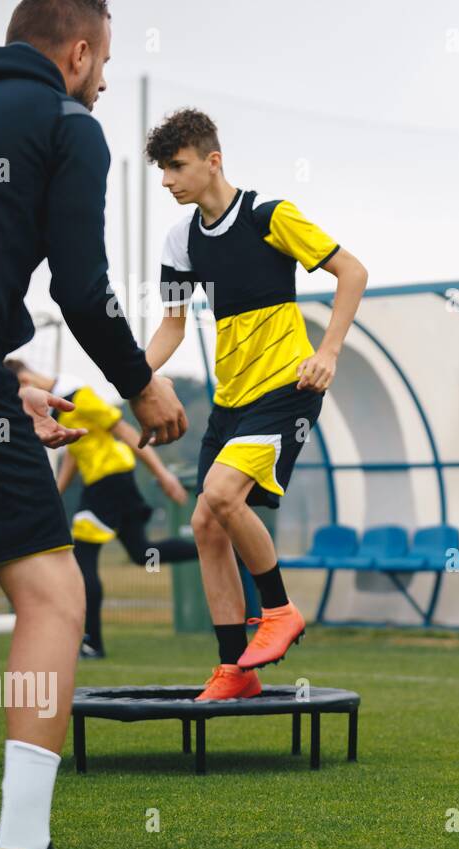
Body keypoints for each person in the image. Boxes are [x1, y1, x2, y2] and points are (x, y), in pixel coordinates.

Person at [0, 0, 188, 849]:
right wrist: (144, 387)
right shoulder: (65, 125)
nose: (102, 81)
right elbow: (83, 291)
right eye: (103, 63)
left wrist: (9, 382)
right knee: (53, 595)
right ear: (80, 51)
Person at [143, 108, 368, 701]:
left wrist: (330, 352)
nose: (167, 180)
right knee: (202, 523)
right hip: (231, 399)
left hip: (286, 390)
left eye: (176, 166)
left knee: (219, 496)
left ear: (212, 160)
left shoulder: (272, 216)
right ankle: (236, 670)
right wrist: (131, 380)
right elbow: (170, 327)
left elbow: (352, 271)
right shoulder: (179, 238)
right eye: (162, 170)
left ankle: (279, 609)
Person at [6, 360, 198, 659]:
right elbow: (74, 452)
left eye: (18, 391)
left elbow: (125, 431)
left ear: (26, 380)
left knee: (83, 557)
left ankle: (92, 642)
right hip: (108, 483)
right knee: (141, 552)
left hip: (109, 482)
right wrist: (55, 493)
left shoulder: (80, 397)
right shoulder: (59, 407)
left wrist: (163, 475)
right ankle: (211, 547)